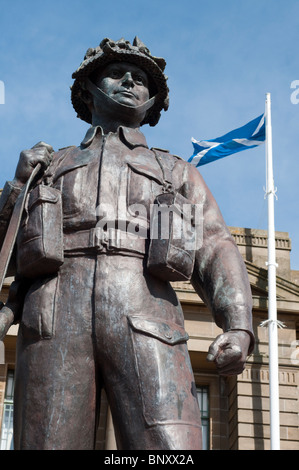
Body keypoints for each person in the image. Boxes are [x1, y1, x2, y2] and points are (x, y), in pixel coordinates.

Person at [0, 37, 254, 450]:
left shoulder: (173, 171)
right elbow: (6, 251)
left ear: (153, 101)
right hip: (54, 318)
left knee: (170, 447)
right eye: (117, 73)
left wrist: (238, 325)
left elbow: (215, 245)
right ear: (88, 88)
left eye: (140, 79)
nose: (130, 82)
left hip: (147, 316)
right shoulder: (50, 166)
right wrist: (17, 185)